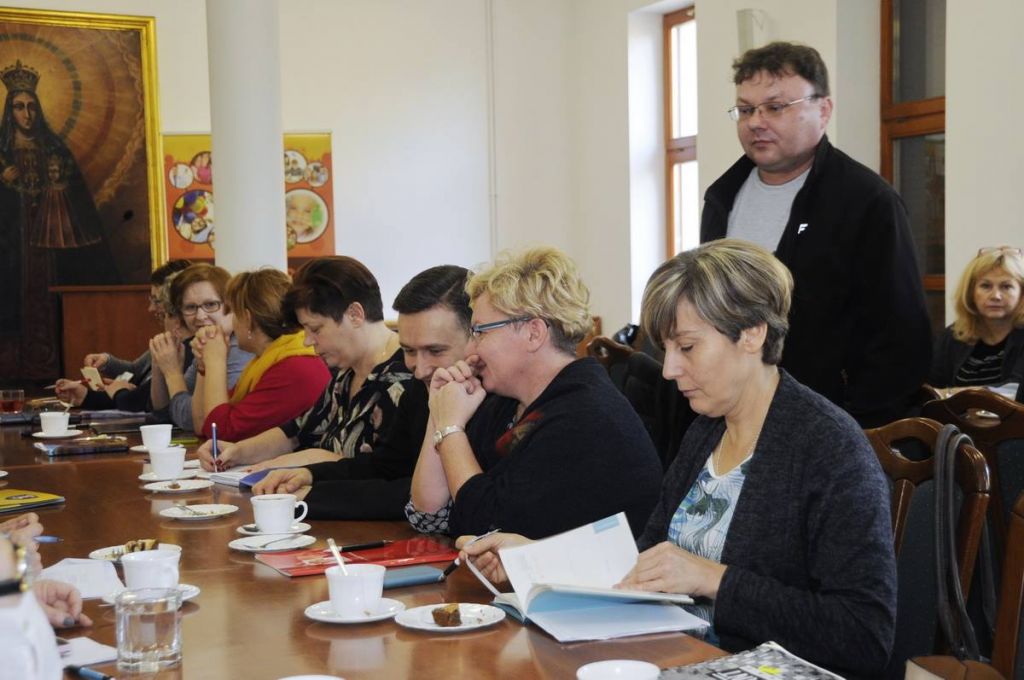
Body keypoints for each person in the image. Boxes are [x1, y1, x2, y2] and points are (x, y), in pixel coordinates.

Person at [460, 241, 897, 678]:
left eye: (687, 347)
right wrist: (538, 557)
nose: (669, 370)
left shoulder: (827, 448)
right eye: (666, 349)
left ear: (752, 334)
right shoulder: (707, 430)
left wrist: (715, 580)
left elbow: (864, 634)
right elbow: (647, 565)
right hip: (676, 658)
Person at [700, 41, 931, 427]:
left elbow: (900, 337)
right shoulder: (721, 198)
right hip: (730, 417)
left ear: (823, 110)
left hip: (831, 422)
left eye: (775, 107)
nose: (756, 122)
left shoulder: (866, 202)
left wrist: (858, 428)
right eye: (746, 109)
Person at [406, 247, 663, 539]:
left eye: (480, 332)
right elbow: (429, 515)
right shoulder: (506, 403)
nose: (469, 350)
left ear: (533, 333)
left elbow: (486, 527)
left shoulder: (585, 416)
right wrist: (440, 411)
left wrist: (451, 429)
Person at [251, 265, 473, 519]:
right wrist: (310, 474)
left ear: (476, 336)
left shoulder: (491, 398)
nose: (420, 369)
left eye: (435, 351)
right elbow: (385, 466)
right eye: (409, 351)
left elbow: (427, 495)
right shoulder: (418, 388)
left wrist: (315, 496)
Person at [196, 256, 425, 472]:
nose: (307, 341)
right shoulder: (344, 376)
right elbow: (296, 431)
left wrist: (312, 462)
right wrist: (238, 451)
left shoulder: (406, 378)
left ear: (355, 314)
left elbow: (387, 472)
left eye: (315, 329)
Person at [191, 268, 331, 441]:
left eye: (234, 314)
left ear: (248, 318)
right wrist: (204, 366)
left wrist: (216, 361)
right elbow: (202, 424)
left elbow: (221, 433)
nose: (232, 323)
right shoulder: (266, 361)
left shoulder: (295, 367)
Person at [54, 259, 192, 412]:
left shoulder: (187, 349)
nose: (151, 309)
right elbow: (138, 379)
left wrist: (119, 390)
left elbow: (143, 401)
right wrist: (86, 395)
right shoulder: (169, 343)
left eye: (158, 302)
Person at [150, 263, 253, 432]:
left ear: (230, 306)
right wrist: (158, 363)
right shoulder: (207, 343)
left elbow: (196, 420)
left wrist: (173, 373)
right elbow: (165, 412)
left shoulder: (240, 347)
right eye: (190, 307)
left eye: (211, 305)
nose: (200, 316)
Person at [929, 246, 1024, 388]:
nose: (995, 296)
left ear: (1022, 294)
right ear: (970, 293)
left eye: (1006, 287)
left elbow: (1015, 391)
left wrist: (958, 395)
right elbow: (932, 389)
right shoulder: (954, 336)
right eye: (985, 286)